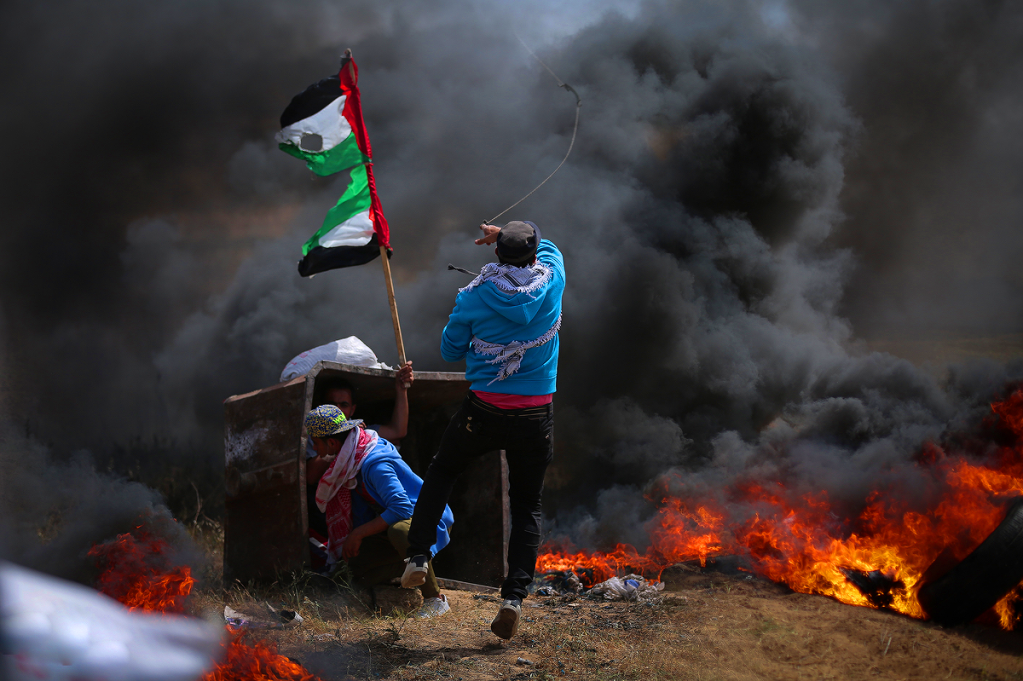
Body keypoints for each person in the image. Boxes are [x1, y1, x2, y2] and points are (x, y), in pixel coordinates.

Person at [403, 220, 564, 639]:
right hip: (535, 417)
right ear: (533, 254)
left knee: (442, 471)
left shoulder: (474, 297)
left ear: (496, 255)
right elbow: (550, 249)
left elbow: (450, 350)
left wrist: (475, 326)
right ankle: (512, 599)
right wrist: (509, 237)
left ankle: (418, 555)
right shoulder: (553, 279)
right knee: (527, 504)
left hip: (484, 412)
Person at [304, 404, 455, 618]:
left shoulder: (373, 463)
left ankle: (435, 600)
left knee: (400, 532)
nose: (314, 448)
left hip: (425, 520)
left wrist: (358, 534)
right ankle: (407, 574)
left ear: (330, 442)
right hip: (393, 524)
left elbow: (402, 508)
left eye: (315, 442)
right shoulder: (348, 462)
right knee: (349, 570)